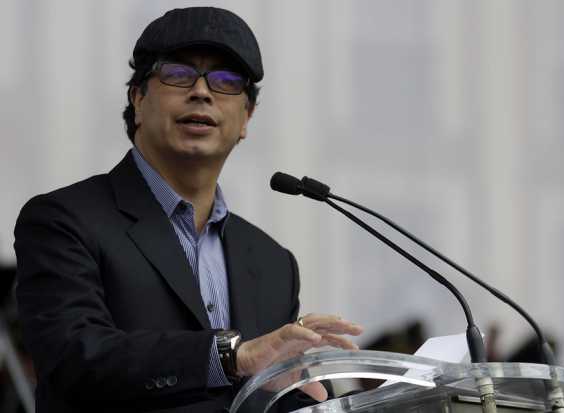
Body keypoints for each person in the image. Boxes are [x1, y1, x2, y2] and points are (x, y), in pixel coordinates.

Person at [14, 7, 362, 413]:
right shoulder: (64, 220)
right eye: (178, 74)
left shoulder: (273, 263)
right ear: (138, 99)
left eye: (226, 81)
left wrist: (309, 393)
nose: (202, 92)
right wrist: (231, 356)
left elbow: (266, 395)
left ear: (246, 117)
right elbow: (76, 357)